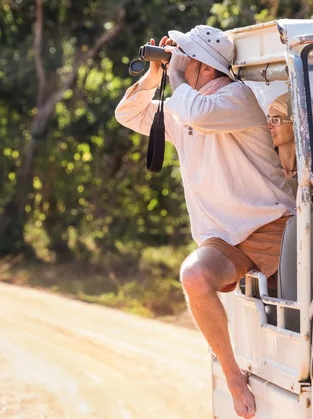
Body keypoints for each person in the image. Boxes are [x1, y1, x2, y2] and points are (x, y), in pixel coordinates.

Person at [115, 25, 295, 419]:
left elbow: (199, 113)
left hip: (273, 225)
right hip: (224, 235)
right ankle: (232, 375)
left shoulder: (236, 98)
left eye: (185, 55)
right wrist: (155, 75)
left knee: (294, 330)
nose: (178, 60)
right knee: (194, 277)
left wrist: (176, 75)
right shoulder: (184, 106)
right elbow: (127, 112)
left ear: (203, 64)